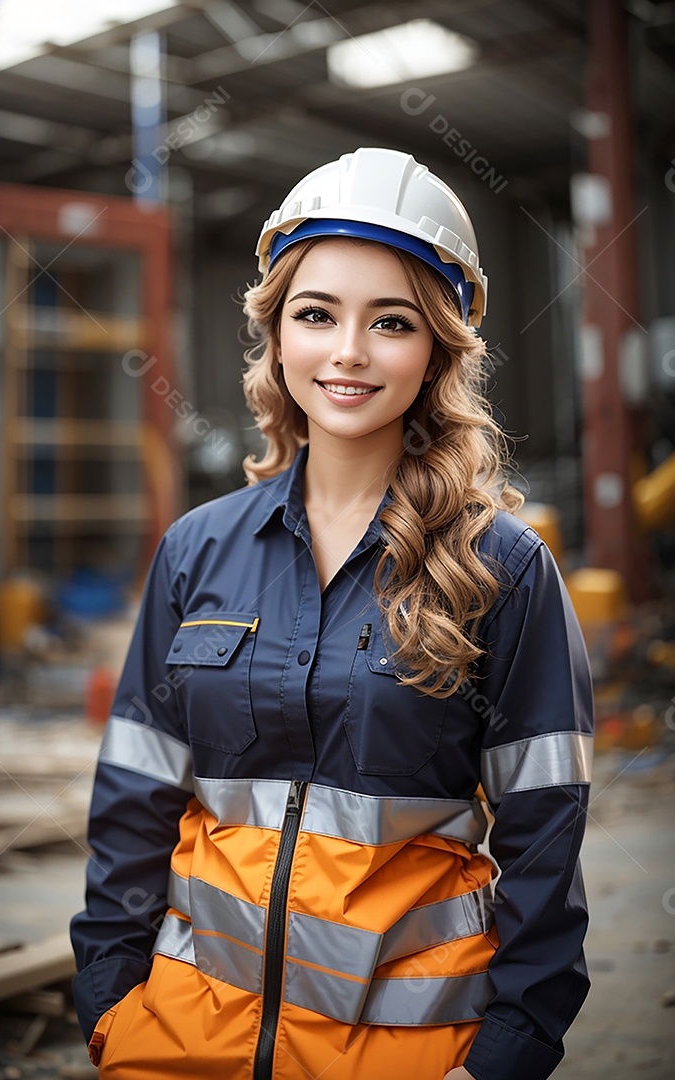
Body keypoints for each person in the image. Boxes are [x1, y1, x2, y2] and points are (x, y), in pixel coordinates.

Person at [70, 147, 593, 1080]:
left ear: (436, 347)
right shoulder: (197, 550)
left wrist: (504, 1058)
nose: (348, 351)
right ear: (277, 336)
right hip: (179, 1046)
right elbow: (133, 806)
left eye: (390, 321)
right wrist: (110, 1002)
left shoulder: (503, 571)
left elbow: (546, 847)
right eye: (317, 314)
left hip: (410, 1057)